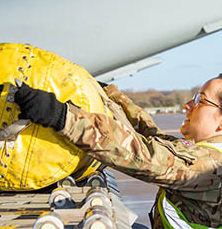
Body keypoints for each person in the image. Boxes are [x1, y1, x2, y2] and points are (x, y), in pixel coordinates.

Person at [14, 74, 222, 228]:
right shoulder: (206, 154)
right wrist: (111, 96)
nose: (188, 105)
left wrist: (63, 117)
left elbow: (142, 154)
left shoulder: (208, 163)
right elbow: (155, 139)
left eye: (200, 101)